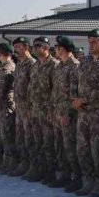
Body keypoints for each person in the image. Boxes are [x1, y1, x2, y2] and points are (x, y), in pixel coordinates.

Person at [72, 29, 99, 197]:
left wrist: (83, 99)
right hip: (83, 113)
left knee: (98, 149)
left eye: (95, 42)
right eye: (89, 41)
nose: (91, 45)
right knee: (82, 149)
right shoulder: (85, 61)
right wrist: (74, 98)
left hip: (98, 113)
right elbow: (76, 82)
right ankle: (87, 181)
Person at [52, 36, 82, 190]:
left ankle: (77, 177)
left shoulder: (75, 66)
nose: (55, 50)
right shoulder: (59, 66)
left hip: (68, 114)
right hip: (58, 112)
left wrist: (68, 114)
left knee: (71, 147)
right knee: (60, 146)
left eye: (56, 47)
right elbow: (56, 91)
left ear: (62, 49)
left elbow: (74, 94)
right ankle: (64, 175)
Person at [28, 37, 59, 184]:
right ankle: (41, 169)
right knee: (38, 142)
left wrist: (52, 109)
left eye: (38, 46)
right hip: (35, 110)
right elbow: (31, 88)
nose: (34, 48)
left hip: (48, 111)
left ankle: (51, 172)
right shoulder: (35, 66)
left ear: (46, 48)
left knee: (49, 143)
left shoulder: (54, 65)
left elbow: (57, 91)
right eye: (34, 46)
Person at [0, 43, 18, 174]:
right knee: (7, 134)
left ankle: (11, 163)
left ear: (0, 54)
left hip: (6, 106)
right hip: (8, 106)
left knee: (7, 135)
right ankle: (8, 162)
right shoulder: (13, 67)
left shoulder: (6, 69)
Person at [11, 37, 36, 177]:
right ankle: (24, 163)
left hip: (28, 107)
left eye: (19, 47)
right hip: (19, 107)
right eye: (15, 47)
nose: (16, 50)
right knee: (20, 137)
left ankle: (33, 166)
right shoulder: (20, 64)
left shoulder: (32, 64)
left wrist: (30, 108)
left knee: (29, 137)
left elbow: (33, 88)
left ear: (26, 47)